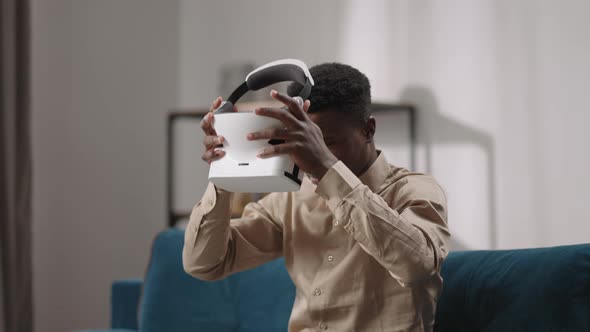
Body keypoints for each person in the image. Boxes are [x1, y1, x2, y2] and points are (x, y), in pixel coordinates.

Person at [183, 63, 450, 331]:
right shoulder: (290, 200)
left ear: (368, 130)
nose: (307, 155)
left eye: (326, 142)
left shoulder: (416, 190)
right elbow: (205, 264)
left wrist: (327, 169)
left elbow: (417, 266)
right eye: (302, 140)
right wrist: (224, 170)